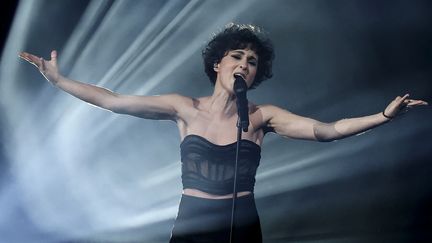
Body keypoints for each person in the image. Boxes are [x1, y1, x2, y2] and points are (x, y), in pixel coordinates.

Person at [19, 23, 427, 243]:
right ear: (218, 64)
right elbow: (113, 99)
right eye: (237, 56)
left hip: (243, 223)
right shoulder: (184, 108)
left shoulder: (263, 115)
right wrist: (60, 81)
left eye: (251, 61)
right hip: (193, 223)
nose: (244, 64)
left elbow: (327, 130)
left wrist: (383, 116)